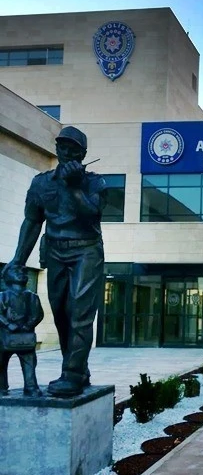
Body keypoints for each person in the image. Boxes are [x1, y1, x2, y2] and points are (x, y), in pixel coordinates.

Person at [3, 126, 107, 397]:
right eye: (63, 147)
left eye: (73, 149)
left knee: (80, 314)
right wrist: (18, 259)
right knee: (62, 314)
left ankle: (71, 375)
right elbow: (32, 222)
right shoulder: (41, 183)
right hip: (56, 252)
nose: (67, 152)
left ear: (83, 154)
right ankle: (79, 370)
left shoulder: (95, 183)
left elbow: (92, 216)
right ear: (57, 149)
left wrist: (74, 188)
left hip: (87, 250)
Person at [0, 263, 44, 396]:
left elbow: (38, 314)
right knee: (1, 362)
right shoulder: (3, 296)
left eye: (23, 272)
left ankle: (31, 387)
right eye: (16, 271)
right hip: (4, 336)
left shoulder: (32, 296)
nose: (21, 273)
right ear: (7, 276)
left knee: (29, 362)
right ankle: (1, 386)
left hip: (25, 336)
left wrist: (29, 325)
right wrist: (8, 324)